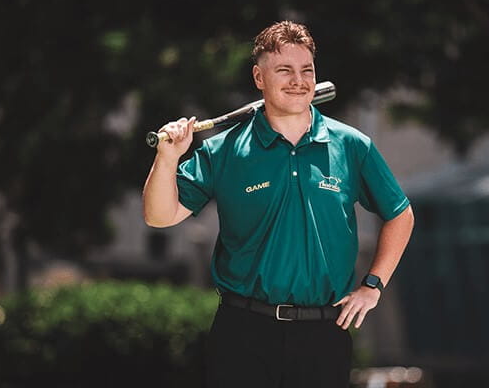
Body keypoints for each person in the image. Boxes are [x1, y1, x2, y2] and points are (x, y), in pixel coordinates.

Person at [142, 20, 414, 388]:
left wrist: (373, 285)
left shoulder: (352, 146)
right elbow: (159, 216)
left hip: (323, 333)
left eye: (307, 70)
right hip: (243, 333)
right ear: (259, 77)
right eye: (284, 70)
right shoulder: (224, 151)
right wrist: (168, 158)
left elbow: (400, 214)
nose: (298, 80)